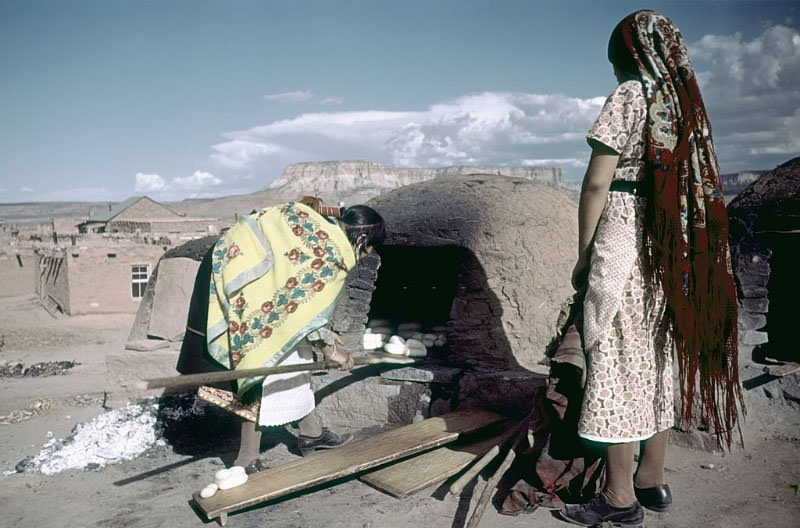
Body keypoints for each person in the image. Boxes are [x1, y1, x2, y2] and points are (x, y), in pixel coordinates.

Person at [560, 10, 743, 526]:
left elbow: (598, 183)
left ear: (628, 53)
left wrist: (584, 253)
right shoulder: (683, 104)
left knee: (615, 359)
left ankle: (619, 498)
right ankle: (652, 480)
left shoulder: (629, 96)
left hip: (624, 236)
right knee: (659, 359)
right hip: (671, 249)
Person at [177, 199, 385, 472]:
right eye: (369, 248)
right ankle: (247, 459)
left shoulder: (319, 224)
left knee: (290, 352)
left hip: (234, 263)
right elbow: (302, 301)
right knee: (259, 362)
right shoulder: (334, 254)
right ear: (361, 238)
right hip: (236, 277)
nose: (366, 255)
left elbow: (300, 307)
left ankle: (312, 435)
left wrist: (325, 334)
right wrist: (332, 352)